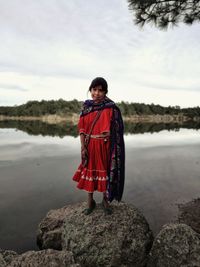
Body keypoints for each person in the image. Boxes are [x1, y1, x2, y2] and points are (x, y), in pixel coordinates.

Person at [72, 77, 125, 215]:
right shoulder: (86, 108)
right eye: (94, 89)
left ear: (105, 92)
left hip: (105, 147)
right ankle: (90, 201)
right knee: (90, 171)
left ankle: (105, 200)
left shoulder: (111, 108)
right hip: (90, 146)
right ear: (90, 90)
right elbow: (82, 131)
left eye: (100, 91)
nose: (96, 93)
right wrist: (83, 147)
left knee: (106, 171)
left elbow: (117, 130)